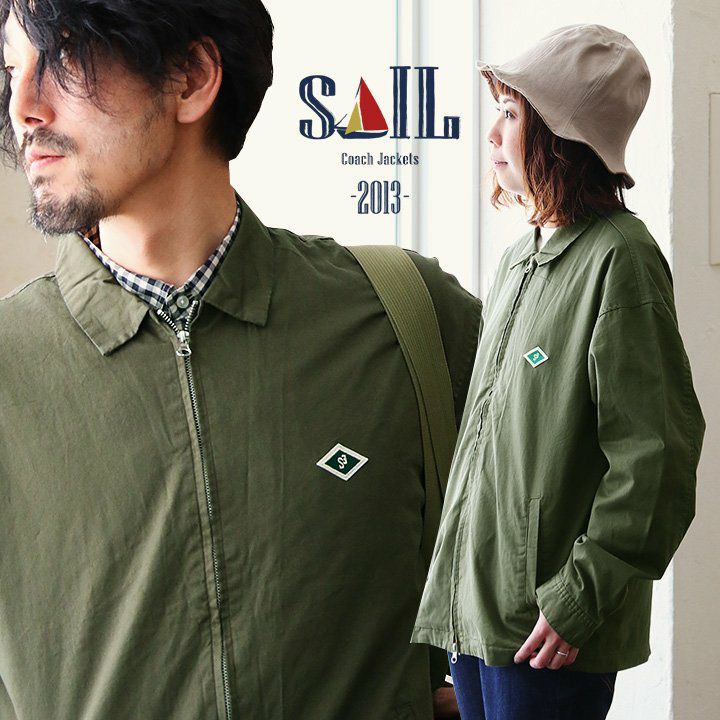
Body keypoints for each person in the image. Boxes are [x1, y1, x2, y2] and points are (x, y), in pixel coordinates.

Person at [0, 1, 482, 718]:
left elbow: (552, 553)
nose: (23, 108)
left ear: (192, 76)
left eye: (65, 59)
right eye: (13, 70)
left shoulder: (408, 316)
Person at [411, 24, 705, 720]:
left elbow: (657, 456)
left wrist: (579, 597)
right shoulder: (520, 259)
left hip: (547, 633)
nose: (492, 135)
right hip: (478, 617)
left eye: (511, 114)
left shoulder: (621, 258)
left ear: (561, 136)